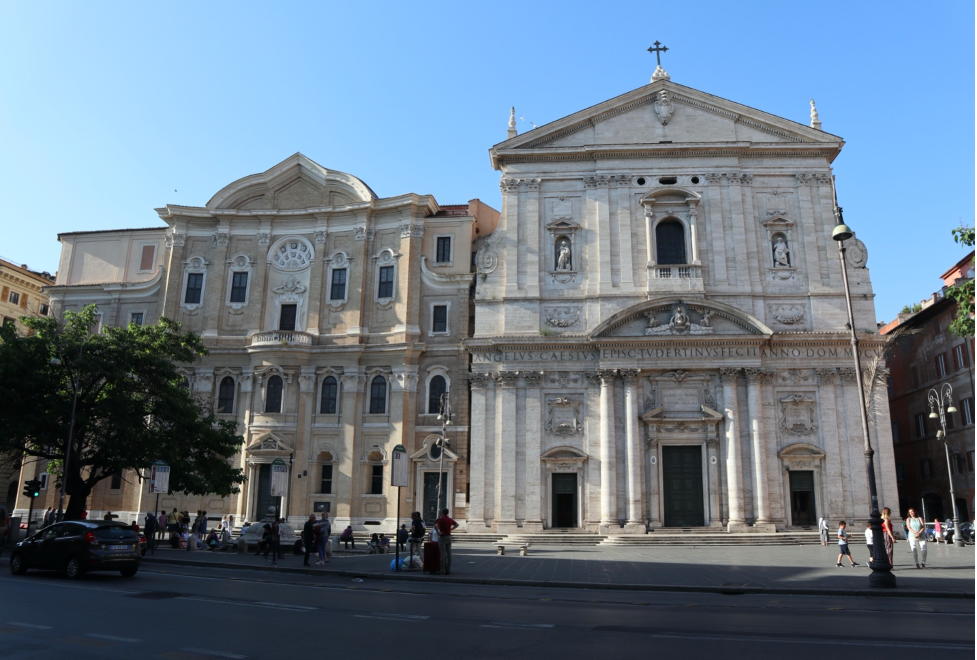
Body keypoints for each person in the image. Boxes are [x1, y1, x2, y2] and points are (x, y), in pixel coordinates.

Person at [434, 508, 458, 575]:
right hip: (449, 537)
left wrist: (439, 532)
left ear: (442, 513)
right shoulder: (450, 519)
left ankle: (442, 569)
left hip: (442, 537)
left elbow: (436, 526)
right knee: (449, 554)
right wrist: (451, 529)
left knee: (443, 554)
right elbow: (457, 524)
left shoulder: (441, 519)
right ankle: (448, 569)